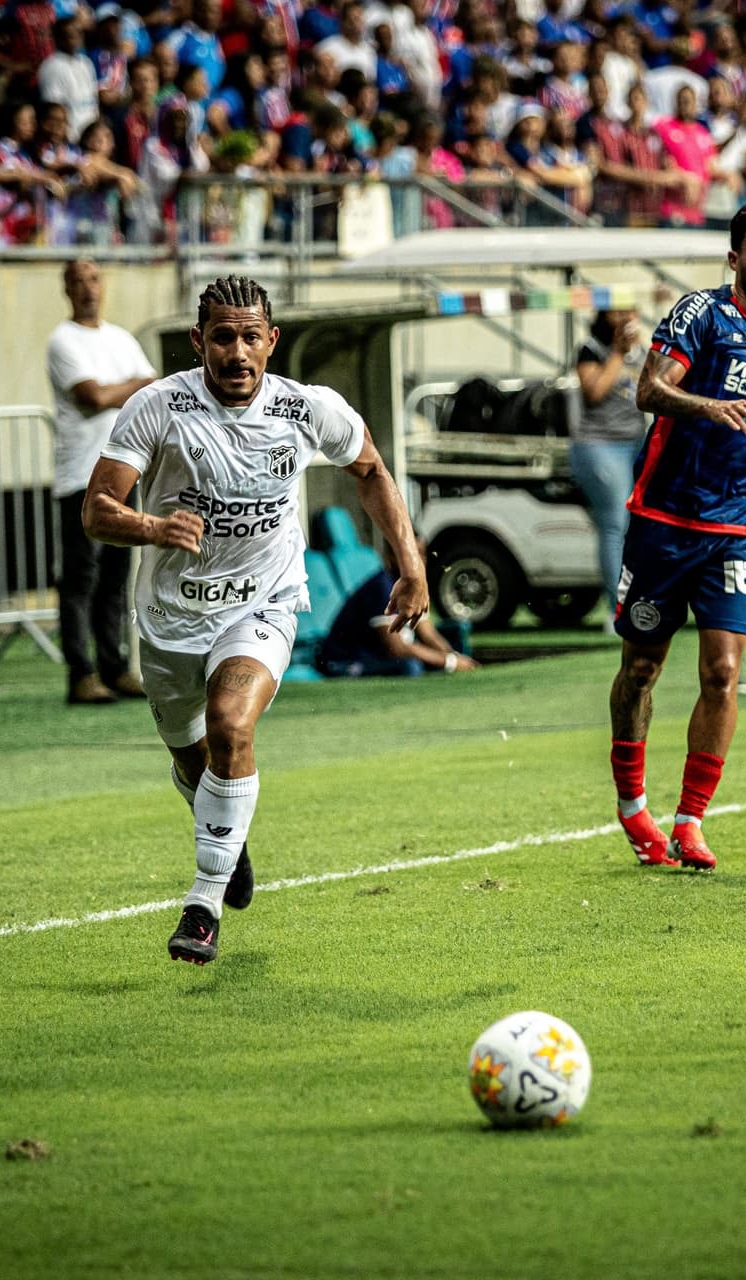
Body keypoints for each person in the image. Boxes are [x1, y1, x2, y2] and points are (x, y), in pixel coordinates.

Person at [83, 274, 428, 965]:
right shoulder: (159, 408)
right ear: (198, 342)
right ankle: (226, 834)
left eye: (250, 337)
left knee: (231, 725)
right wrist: (152, 528)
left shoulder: (305, 408)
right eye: (222, 337)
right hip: (169, 618)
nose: (237, 352)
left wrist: (409, 563)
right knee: (192, 759)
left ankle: (203, 905)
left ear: (272, 341)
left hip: (262, 603)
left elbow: (371, 470)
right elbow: (97, 510)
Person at [609, 202, 746, 873]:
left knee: (723, 673)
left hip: (738, 531)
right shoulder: (702, 315)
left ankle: (691, 820)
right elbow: (648, 391)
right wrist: (709, 405)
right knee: (641, 668)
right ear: (734, 257)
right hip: (664, 522)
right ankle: (633, 806)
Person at [48, 258, 159, 705]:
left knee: (115, 573)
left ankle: (113, 667)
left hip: (121, 471)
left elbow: (151, 386)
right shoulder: (62, 340)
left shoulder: (121, 338)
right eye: (79, 281)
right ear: (67, 289)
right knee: (80, 576)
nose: (88, 288)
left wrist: (124, 387)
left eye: (93, 279)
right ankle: (81, 673)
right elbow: (91, 397)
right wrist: (128, 385)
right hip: (79, 474)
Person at [571, 306, 647, 631]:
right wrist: (618, 353)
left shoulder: (640, 349)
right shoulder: (591, 349)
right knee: (615, 522)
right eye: (619, 312)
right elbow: (595, 391)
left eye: (631, 311)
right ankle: (616, 607)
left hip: (634, 443)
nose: (626, 318)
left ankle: (639, 600)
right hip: (599, 444)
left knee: (639, 524)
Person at [316, 554, 480, 678]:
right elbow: (397, 648)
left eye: (421, 553)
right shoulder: (382, 587)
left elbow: (427, 633)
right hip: (343, 662)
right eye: (411, 554)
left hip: (378, 656)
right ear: (393, 556)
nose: (418, 560)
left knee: (440, 650)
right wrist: (449, 663)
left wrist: (456, 658)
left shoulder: (415, 585)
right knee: (409, 667)